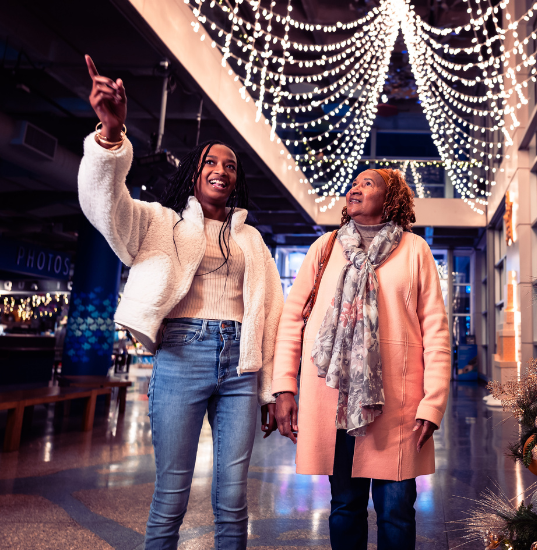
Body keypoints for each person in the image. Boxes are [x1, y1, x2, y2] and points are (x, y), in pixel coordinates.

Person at [78, 55, 284, 550]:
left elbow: (271, 316)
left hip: (242, 365)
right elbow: (104, 206)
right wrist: (111, 135)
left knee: (234, 500)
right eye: (211, 162)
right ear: (193, 172)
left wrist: (275, 389)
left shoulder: (252, 240)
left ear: (237, 179)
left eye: (230, 166)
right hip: (181, 356)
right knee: (170, 494)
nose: (221, 170)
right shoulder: (157, 223)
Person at [270, 168, 451, 550]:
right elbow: (291, 320)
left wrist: (432, 404)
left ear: (390, 200)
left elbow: (435, 330)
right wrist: (284, 386)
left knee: (397, 511)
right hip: (334, 400)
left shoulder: (415, 249)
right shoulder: (326, 247)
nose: (355, 186)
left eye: (368, 183)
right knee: (345, 507)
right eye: (354, 182)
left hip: (399, 405)